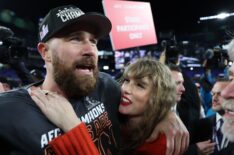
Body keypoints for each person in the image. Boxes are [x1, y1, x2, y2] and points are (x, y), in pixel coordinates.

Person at [0, 4, 189, 155]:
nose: (91, 50)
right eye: (75, 38)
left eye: (93, 41)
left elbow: (148, 103)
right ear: (45, 52)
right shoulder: (8, 110)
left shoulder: (106, 85)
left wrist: (167, 115)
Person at [31, 58, 181, 155]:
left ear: (158, 96)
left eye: (140, 85)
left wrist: (72, 126)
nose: (125, 89)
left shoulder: (163, 145)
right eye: (127, 80)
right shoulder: (113, 108)